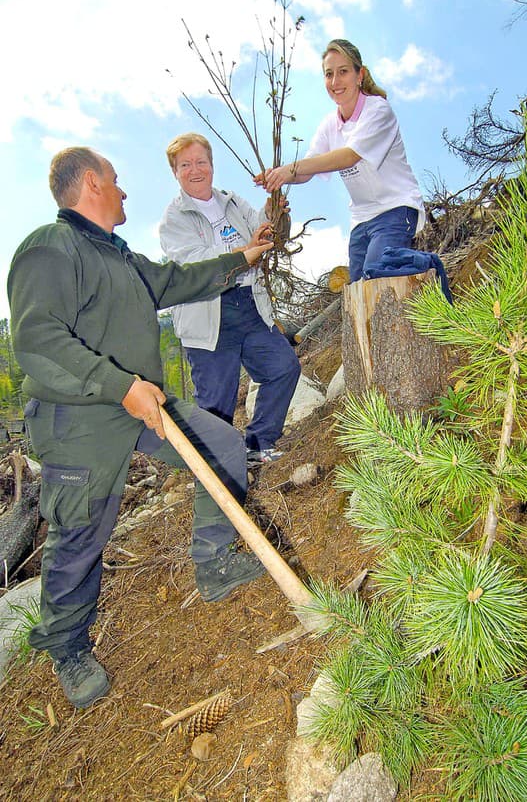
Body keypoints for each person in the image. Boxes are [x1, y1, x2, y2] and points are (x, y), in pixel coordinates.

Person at [7, 147, 275, 710]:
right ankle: (67, 647)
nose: (125, 191)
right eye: (117, 179)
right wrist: (117, 385)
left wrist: (243, 259)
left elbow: (179, 280)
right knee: (80, 536)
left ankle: (215, 562)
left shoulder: (121, 257)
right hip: (80, 417)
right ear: (90, 184)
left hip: (141, 400)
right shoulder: (49, 248)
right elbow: (37, 340)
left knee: (222, 443)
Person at [159, 133, 301, 465]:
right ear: (175, 172)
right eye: (185, 165)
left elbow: (268, 235)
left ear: (212, 165)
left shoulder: (234, 202)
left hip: (249, 304)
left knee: (283, 367)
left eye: (201, 162)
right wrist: (243, 249)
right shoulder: (173, 219)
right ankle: (218, 473)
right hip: (207, 313)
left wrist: (276, 215)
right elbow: (195, 264)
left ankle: (258, 444)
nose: (196, 170)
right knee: (215, 405)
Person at [260, 39, 425, 283]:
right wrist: (277, 175)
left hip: (396, 209)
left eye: (343, 72)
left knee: (377, 278)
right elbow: (308, 169)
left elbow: (348, 156)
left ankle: (424, 269)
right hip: (361, 219)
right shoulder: (329, 124)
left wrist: (289, 170)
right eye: (329, 74)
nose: (335, 82)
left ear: (361, 75)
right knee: (357, 289)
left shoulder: (378, 111)